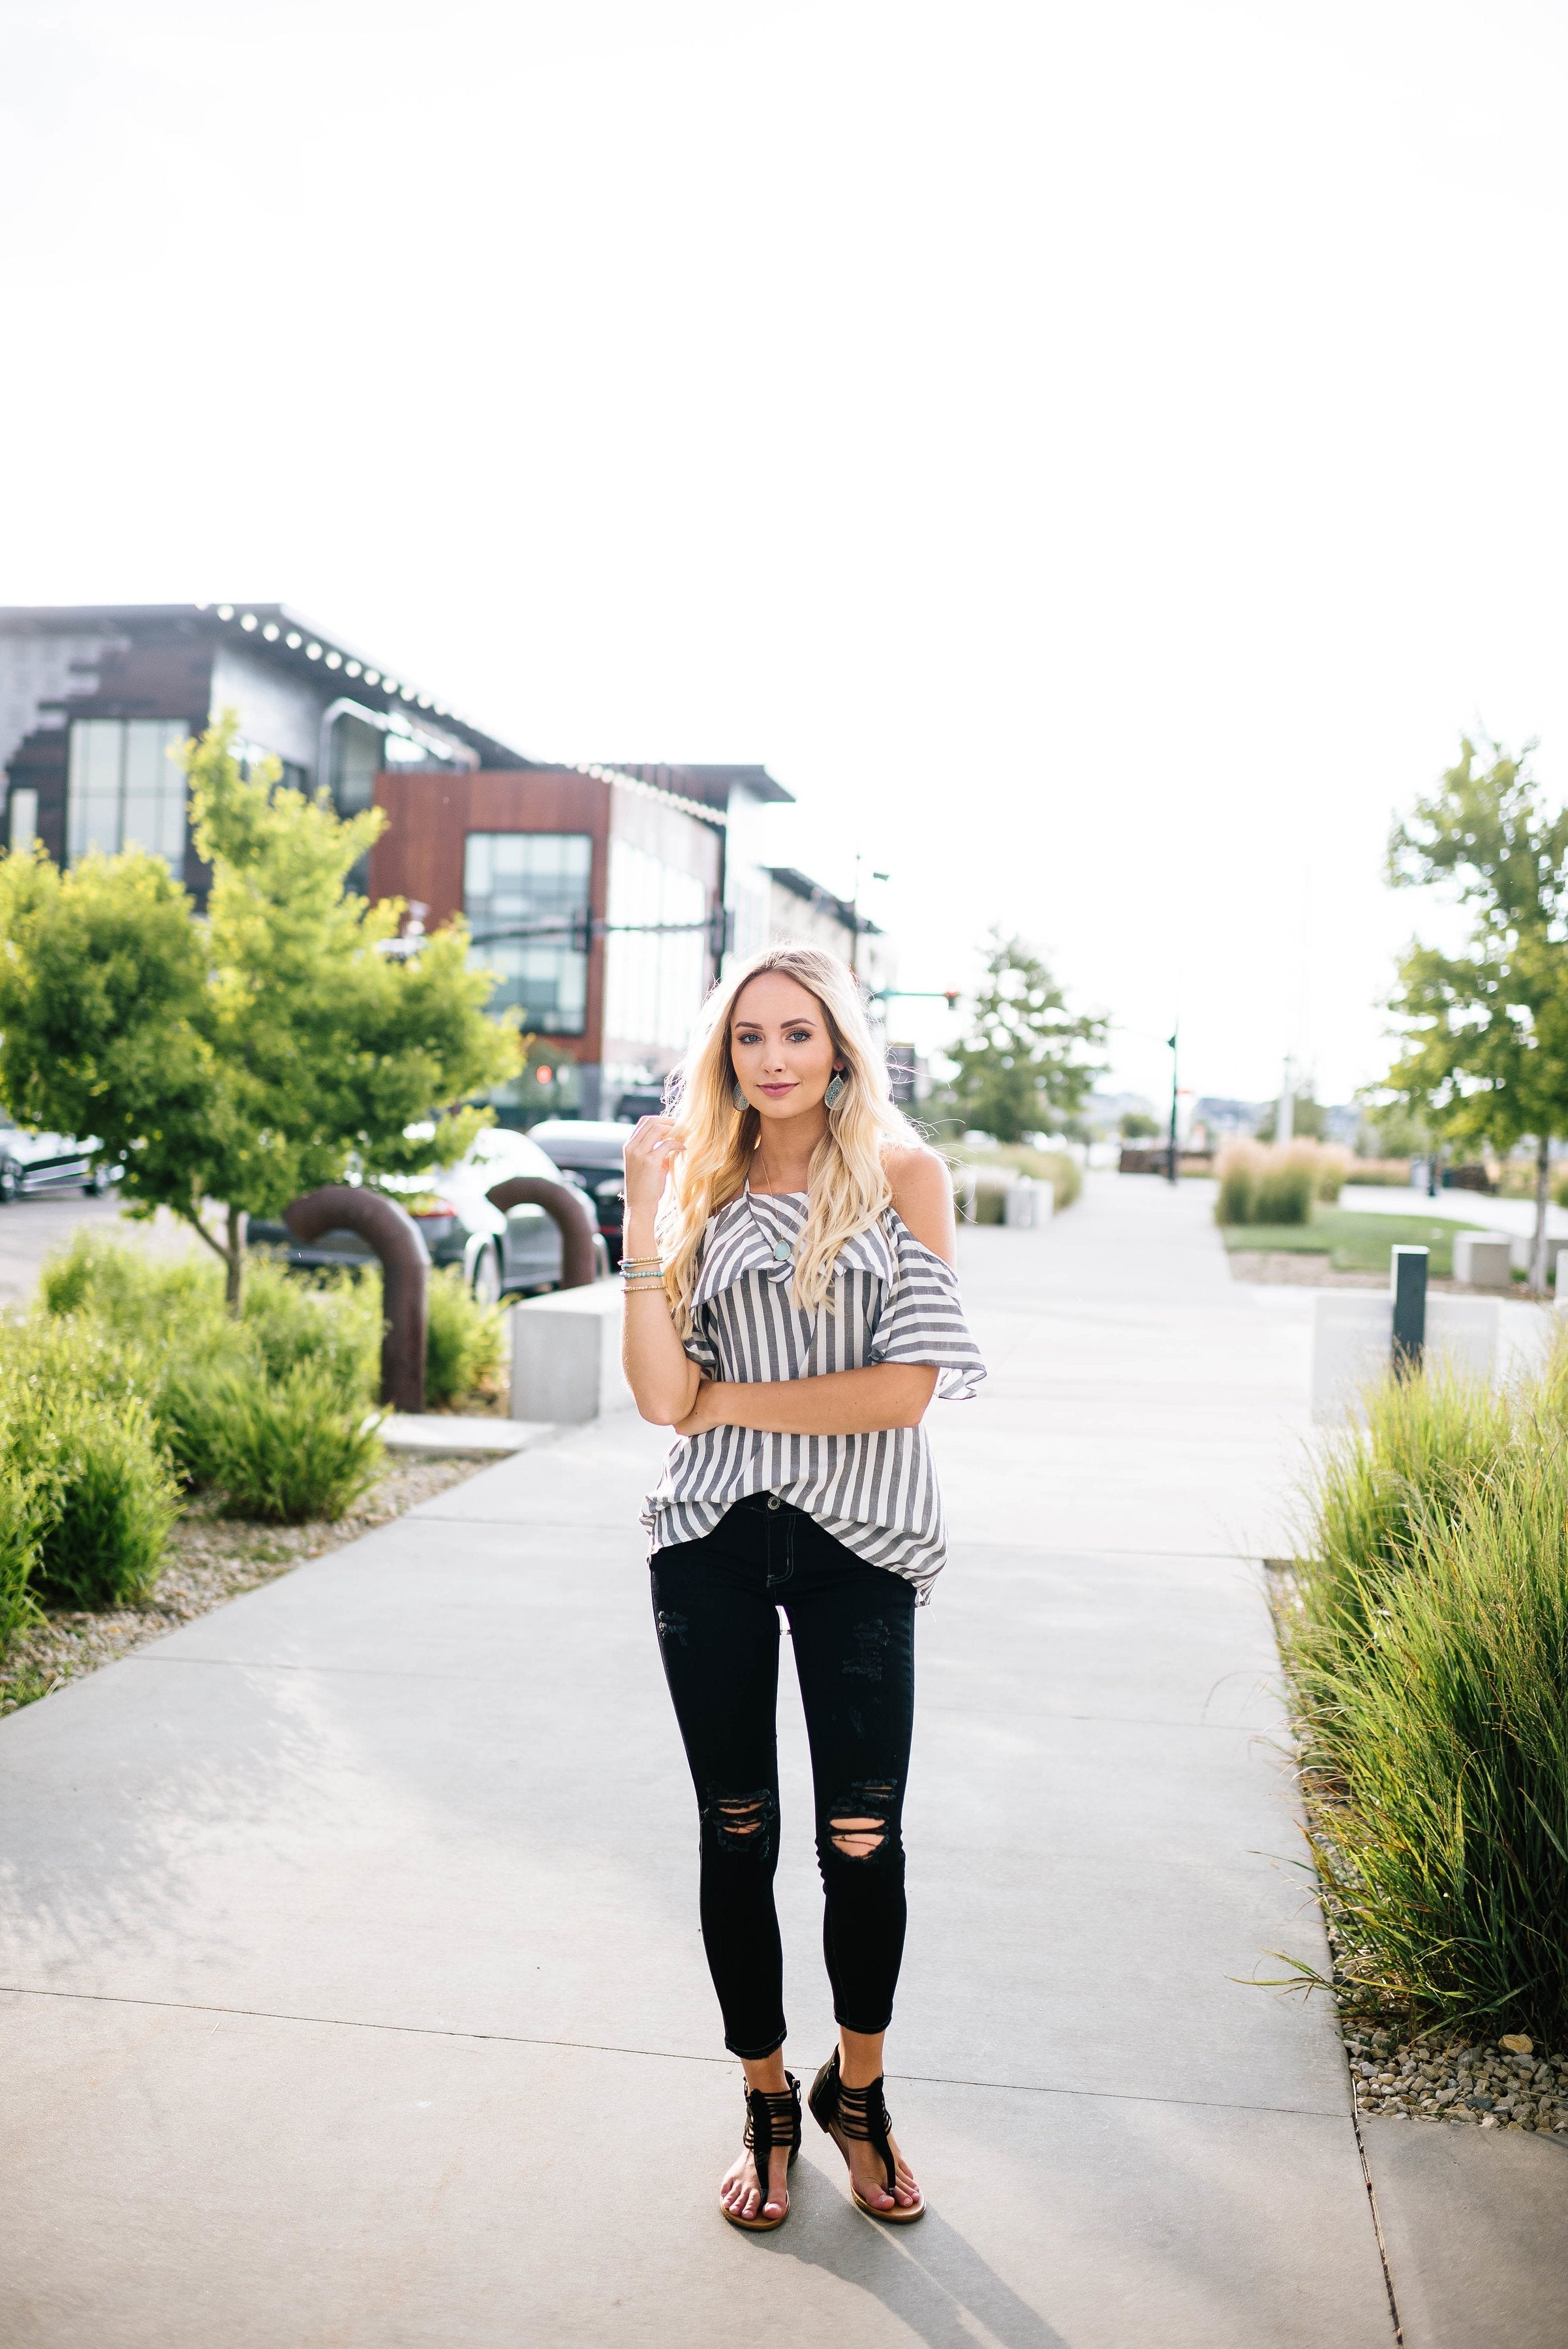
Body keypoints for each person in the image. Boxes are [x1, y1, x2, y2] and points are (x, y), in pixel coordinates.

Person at [621, 943, 985, 2232]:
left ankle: (858, 2093)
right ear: (725, 1055)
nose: (772, 1058)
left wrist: (729, 1403)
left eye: (796, 1033)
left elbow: (902, 1391)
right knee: (736, 1832)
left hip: (859, 1543)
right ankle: (767, 2100)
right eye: (748, 1036)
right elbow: (661, 1398)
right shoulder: (701, 1188)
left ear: (837, 1046)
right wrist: (641, 1211)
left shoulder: (902, 1175)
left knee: (862, 1841)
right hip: (710, 1535)